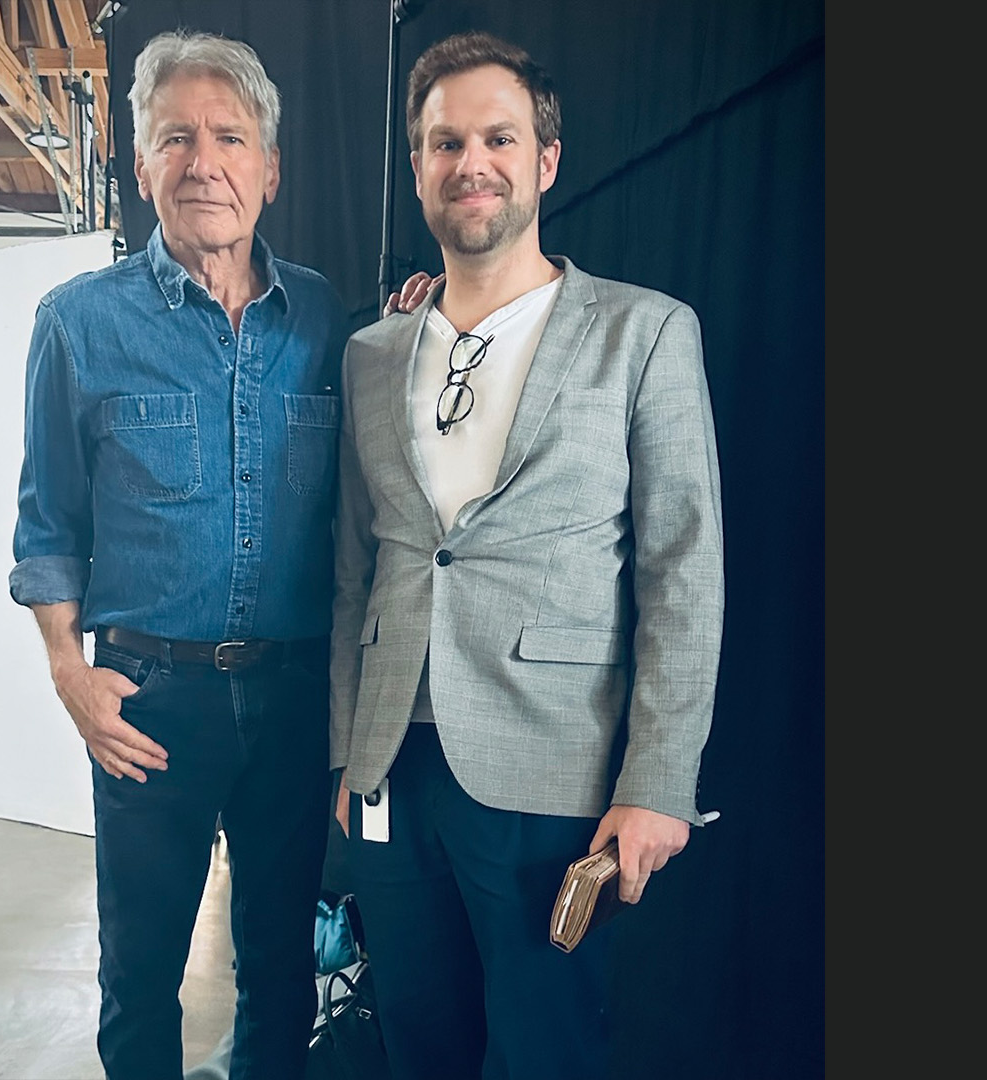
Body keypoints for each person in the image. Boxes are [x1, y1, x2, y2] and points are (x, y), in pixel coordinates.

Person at [6, 29, 434, 1080]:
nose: (206, 161)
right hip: (148, 698)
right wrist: (70, 672)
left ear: (271, 169)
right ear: (141, 164)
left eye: (231, 137)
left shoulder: (326, 320)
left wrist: (415, 330)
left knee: (282, 961)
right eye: (177, 138)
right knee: (139, 971)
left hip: (293, 700)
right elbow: (48, 525)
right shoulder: (76, 325)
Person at [328, 30, 726, 1080]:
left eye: (498, 138)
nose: (471, 162)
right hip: (391, 767)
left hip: (557, 771)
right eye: (444, 141)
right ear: (417, 166)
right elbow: (353, 570)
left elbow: (683, 571)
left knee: (547, 1051)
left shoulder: (644, 333)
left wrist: (660, 780)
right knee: (415, 1040)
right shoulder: (373, 353)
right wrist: (343, 748)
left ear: (545, 161)